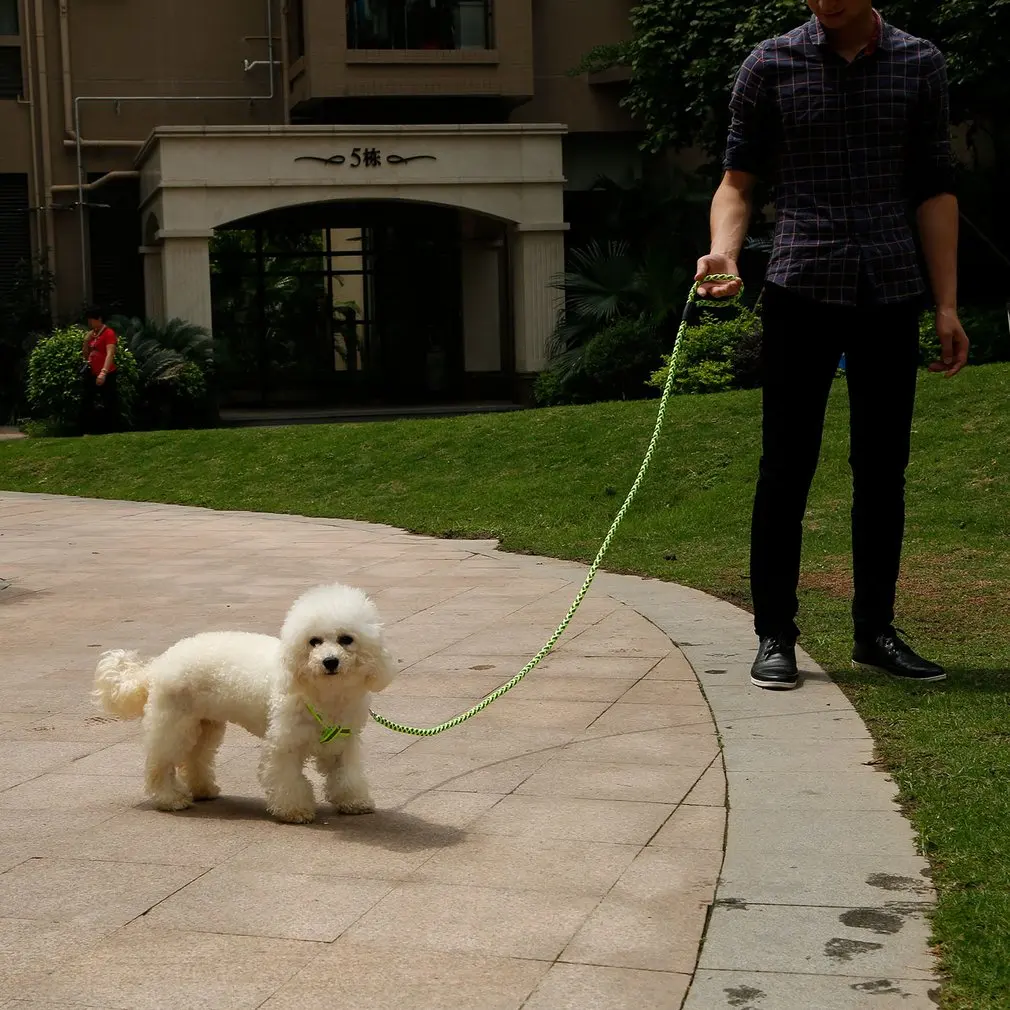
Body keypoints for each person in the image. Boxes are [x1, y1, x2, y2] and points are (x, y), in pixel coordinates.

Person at [695, 1, 969, 690]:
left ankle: (876, 631)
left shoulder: (919, 63)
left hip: (889, 286)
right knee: (784, 469)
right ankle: (774, 635)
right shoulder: (769, 63)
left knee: (883, 472)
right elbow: (738, 181)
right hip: (800, 285)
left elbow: (934, 189)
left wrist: (946, 305)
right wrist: (724, 253)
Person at [81, 306, 119, 435]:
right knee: (88, 400)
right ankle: (90, 429)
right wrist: (86, 341)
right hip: (92, 372)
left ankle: (111, 430)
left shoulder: (108, 333)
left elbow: (110, 354)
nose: (90, 323)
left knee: (109, 402)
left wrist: (104, 372)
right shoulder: (92, 334)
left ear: (99, 319)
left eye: (92, 320)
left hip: (106, 373)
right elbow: (86, 354)